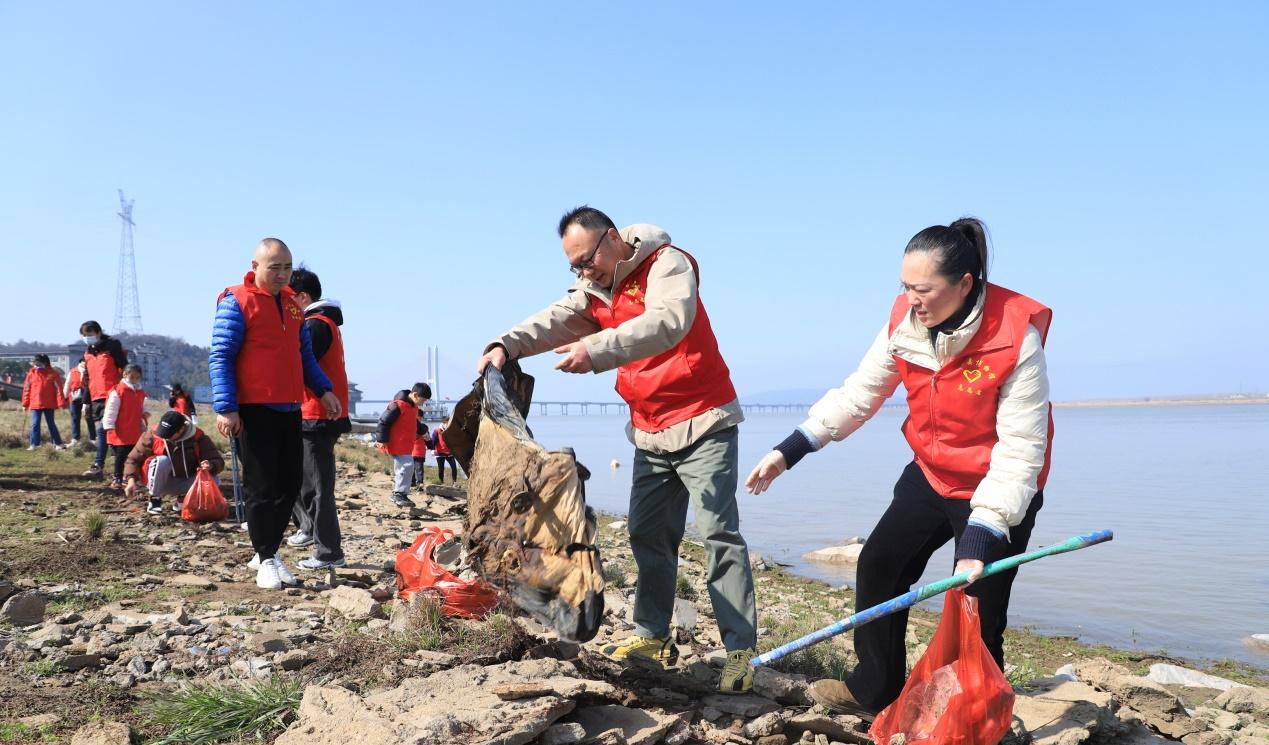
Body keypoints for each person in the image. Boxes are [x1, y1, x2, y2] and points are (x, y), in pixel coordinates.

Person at [745, 218, 1052, 719]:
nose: (912, 299)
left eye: (923, 289)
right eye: (905, 287)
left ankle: (973, 714)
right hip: (931, 473)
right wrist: (792, 449)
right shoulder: (906, 322)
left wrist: (979, 540)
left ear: (965, 284)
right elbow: (860, 393)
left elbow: (1021, 450)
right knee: (880, 567)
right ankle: (875, 690)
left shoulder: (1016, 336)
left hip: (996, 486)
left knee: (977, 608)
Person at [476, 206, 758, 694]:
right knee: (647, 531)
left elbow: (670, 321)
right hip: (649, 429)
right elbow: (552, 321)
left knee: (717, 532)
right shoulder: (591, 290)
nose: (583, 272)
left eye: (587, 260)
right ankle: (652, 636)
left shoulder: (667, 265)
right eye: (574, 266)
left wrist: (598, 350)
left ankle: (740, 652)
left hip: (703, 419)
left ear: (611, 239)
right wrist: (504, 345)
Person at [209, 238, 340, 591]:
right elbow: (220, 355)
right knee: (262, 487)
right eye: (274, 267)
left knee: (290, 484)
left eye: (287, 267)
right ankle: (266, 557)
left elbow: (304, 356)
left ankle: (266, 551)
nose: (282, 274)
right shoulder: (237, 301)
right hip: (252, 409)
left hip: (289, 406)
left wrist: (323, 390)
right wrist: (226, 408)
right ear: (255, 266)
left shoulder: (295, 307)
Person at [284, 267, 352, 570]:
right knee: (304, 481)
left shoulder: (314, 325)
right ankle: (311, 532)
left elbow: (302, 368)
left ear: (301, 296)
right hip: (317, 415)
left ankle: (329, 552)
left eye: (288, 296)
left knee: (318, 488)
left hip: (317, 416)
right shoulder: (324, 323)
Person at [124, 410, 225, 515]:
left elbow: (217, 461)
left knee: (214, 479)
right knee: (162, 460)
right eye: (162, 433)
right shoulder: (152, 434)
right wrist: (131, 480)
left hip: (185, 482)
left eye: (169, 434)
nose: (164, 437)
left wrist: (210, 465)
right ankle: (154, 500)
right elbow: (133, 459)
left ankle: (184, 499)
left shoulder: (198, 437)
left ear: (181, 430)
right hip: (158, 482)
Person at [80, 321, 128, 478]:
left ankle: (99, 465)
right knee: (109, 432)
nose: (87, 338)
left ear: (99, 332)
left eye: (89, 334)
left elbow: (124, 368)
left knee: (102, 429)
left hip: (113, 394)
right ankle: (126, 464)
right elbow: (88, 379)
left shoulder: (112, 346)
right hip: (96, 397)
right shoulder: (88, 353)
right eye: (85, 336)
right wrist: (86, 402)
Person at [375, 383, 430, 508]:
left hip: (404, 444)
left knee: (404, 467)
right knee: (406, 466)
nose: (423, 403)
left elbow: (413, 422)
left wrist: (423, 429)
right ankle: (399, 493)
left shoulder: (413, 407)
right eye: (423, 400)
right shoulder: (398, 405)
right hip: (396, 443)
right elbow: (383, 421)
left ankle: (401, 493)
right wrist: (381, 439)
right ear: (415, 395)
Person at [102, 363, 148, 490]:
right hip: (120, 431)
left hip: (134, 430)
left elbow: (140, 406)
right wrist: (109, 425)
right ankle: (117, 477)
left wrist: (144, 413)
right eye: (132, 376)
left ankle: (129, 477)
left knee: (133, 456)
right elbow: (111, 410)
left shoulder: (139, 392)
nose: (134, 379)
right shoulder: (118, 391)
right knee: (120, 456)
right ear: (125, 375)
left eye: (137, 377)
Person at [21, 354, 66, 450]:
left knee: (51, 424)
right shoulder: (31, 374)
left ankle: (58, 444)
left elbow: (59, 390)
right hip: (35, 403)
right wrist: (25, 403)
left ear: (45, 363)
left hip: (49, 404)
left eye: (39, 363)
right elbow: (26, 389)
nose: (36, 366)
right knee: (35, 424)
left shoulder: (53, 374)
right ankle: (34, 444)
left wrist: (61, 403)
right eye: (35, 363)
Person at [65, 358, 92, 445]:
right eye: (84, 362)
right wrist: (65, 395)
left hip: (87, 397)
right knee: (75, 418)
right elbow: (67, 383)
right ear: (80, 362)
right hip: (74, 397)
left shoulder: (90, 371)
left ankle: (92, 437)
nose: (85, 363)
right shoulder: (73, 371)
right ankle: (75, 438)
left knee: (89, 417)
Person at [411, 408, 430, 487]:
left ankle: (419, 484)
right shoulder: (412, 426)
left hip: (419, 451)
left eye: (417, 416)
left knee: (418, 469)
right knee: (412, 468)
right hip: (411, 450)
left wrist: (423, 433)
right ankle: (414, 483)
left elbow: (428, 438)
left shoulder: (424, 427)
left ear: (420, 417)